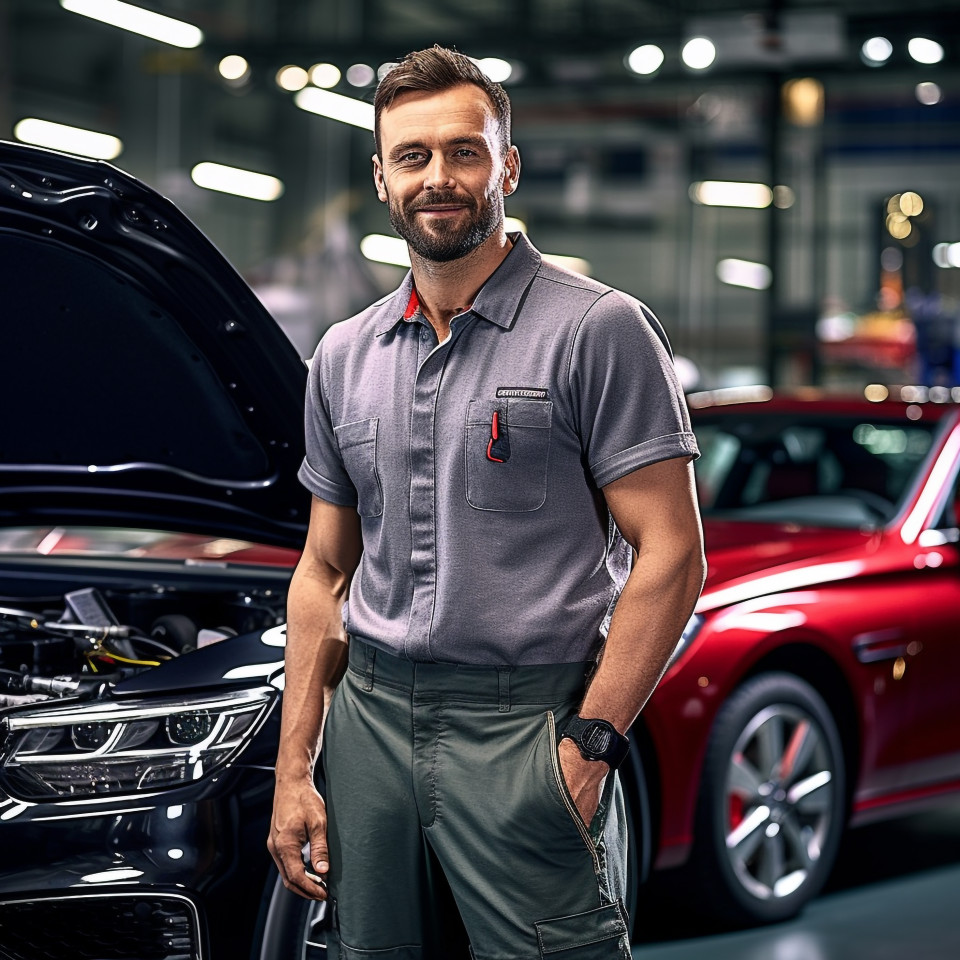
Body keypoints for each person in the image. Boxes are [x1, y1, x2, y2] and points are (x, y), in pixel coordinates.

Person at [268, 45, 706, 960]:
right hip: (371, 727)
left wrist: (588, 748)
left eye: (464, 152)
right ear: (383, 176)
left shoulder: (597, 330)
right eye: (414, 155)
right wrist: (295, 768)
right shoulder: (342, 357)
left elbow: (671, 554)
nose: (441, 177)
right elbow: (322, 569)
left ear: (506, 164)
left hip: (526, 725)